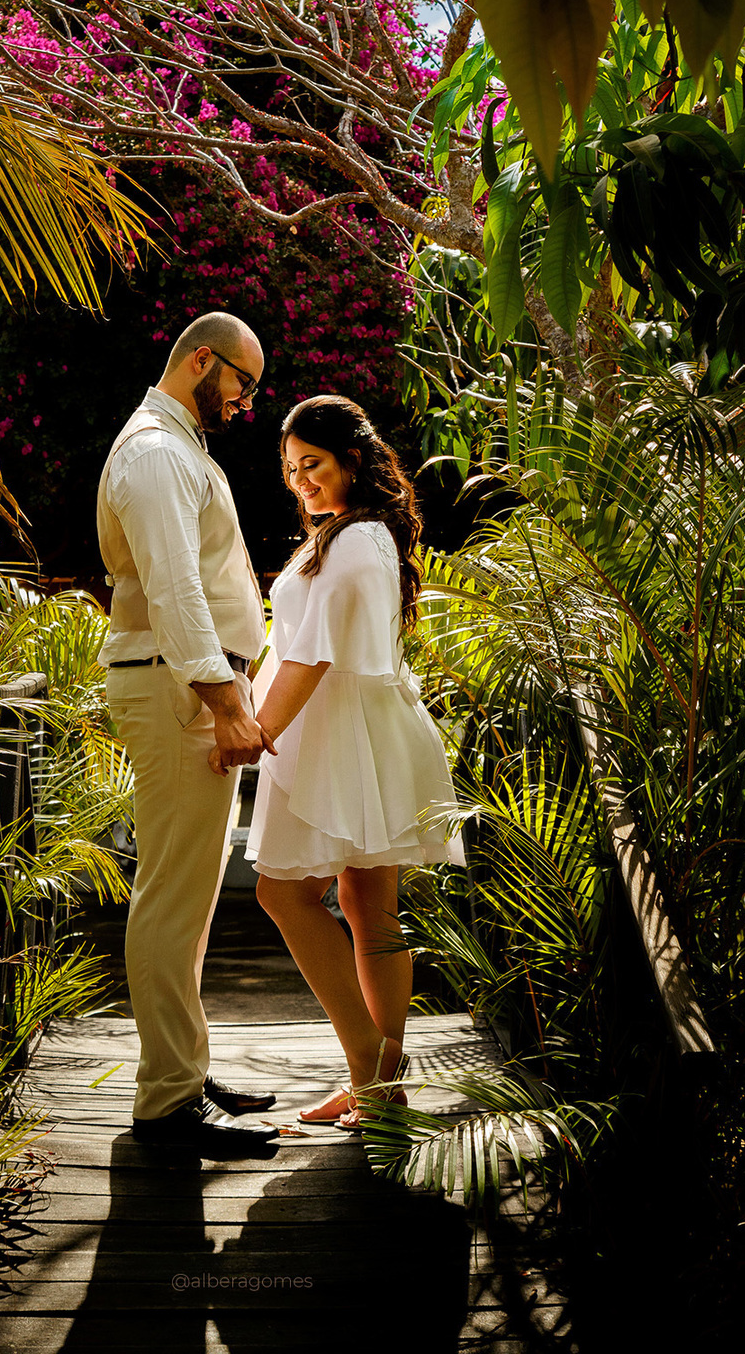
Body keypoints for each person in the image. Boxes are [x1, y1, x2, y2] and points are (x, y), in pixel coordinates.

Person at [246, 395, 464, 1128]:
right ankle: (380, 1084)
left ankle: (372, 1066)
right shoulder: (352, 534)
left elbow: (313, 654)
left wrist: (256, 733)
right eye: (290, 469)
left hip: (344, 731)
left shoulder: (357, 538)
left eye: (312, 463)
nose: (300, 480)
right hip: (354, 729)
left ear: (353, 460)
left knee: (286, 895)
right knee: (369, 907)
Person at [97, 313, 280, 1158]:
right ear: (202, 360)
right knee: (173, 895)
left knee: (191, 897)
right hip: (179, 691)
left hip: (190, 687)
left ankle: (183, 1069)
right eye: (242, 381)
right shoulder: (156, 453)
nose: (247, 401)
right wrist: (225, 701)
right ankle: (167, 1105)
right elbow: (174, 592)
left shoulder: (179, 447)